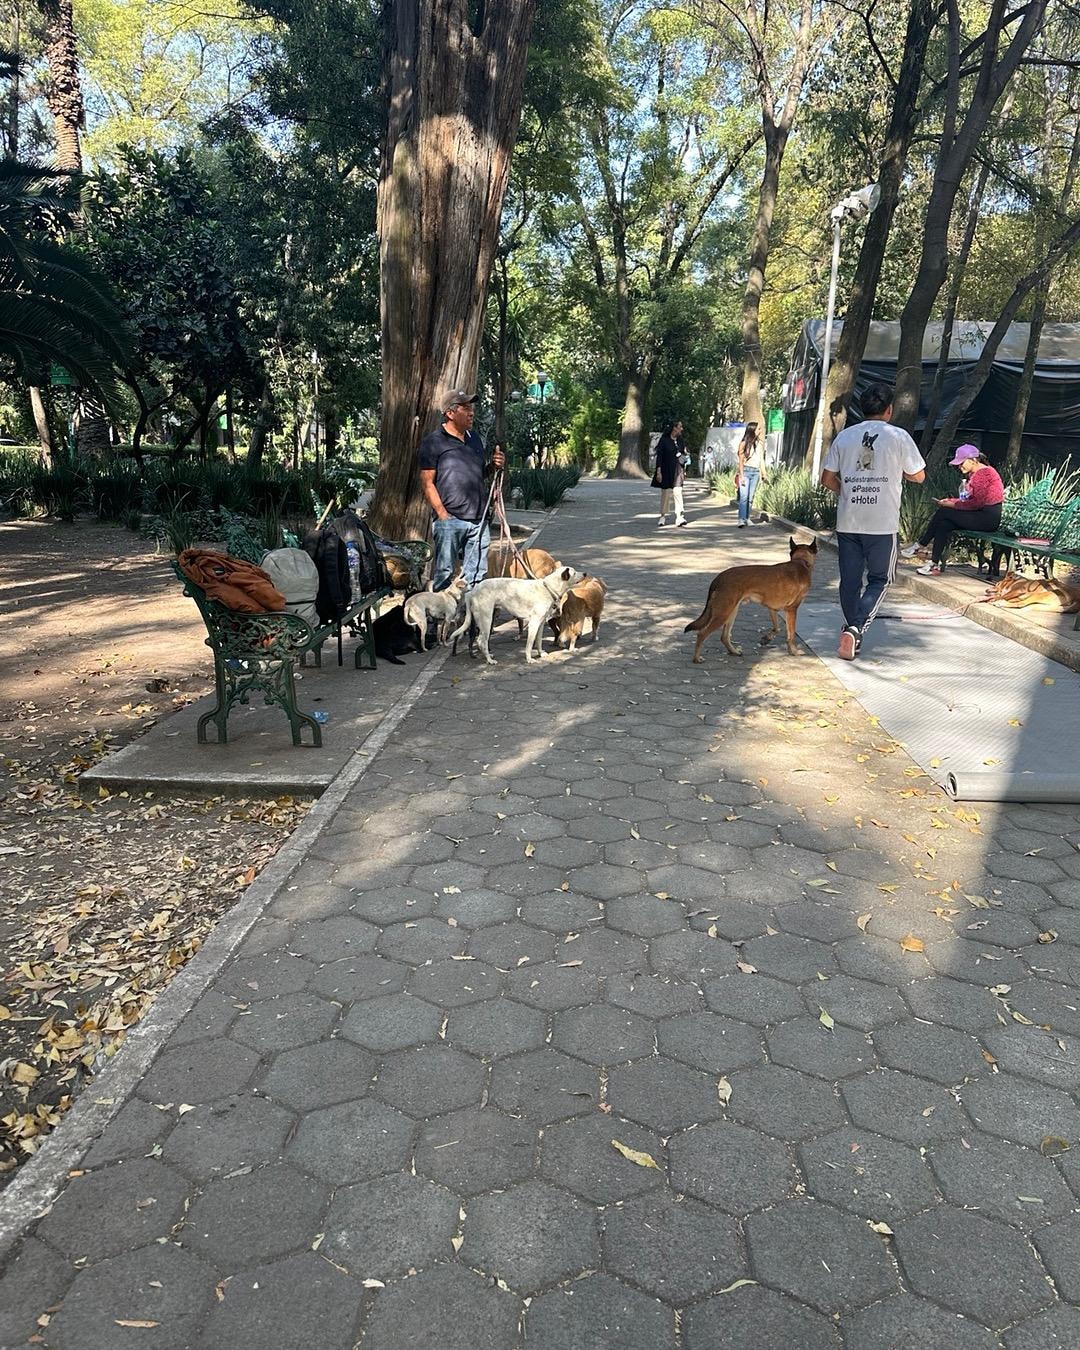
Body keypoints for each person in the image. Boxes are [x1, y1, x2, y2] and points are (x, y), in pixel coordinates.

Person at [821, 381, 926, 660]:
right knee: (880, 578)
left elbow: (827, 479)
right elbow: (919, 476)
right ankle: (855, 629)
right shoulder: (899, 436)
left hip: (849, 521)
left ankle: (851, 631)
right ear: (889, 409)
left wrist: (847, 491)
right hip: (882, 523)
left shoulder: (845, 437)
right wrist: (898, 472)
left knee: (849, 581)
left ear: (862, 408)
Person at [418, 388, 505, 590]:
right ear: (450, 413)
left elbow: (478, 474)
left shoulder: (474, 439)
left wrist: (493, 466)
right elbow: (427, 483)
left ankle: (470, 611)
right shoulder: (433, 442)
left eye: (471, 408)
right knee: (444, 573)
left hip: (478, 520)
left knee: (477, 576)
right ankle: (440, 610)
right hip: (450, 520)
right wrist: (442, 515)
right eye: (466, 408)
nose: (471, 413)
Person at [901, 445, 1004, 576]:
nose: (959, 467)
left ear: (973, 460)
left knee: (944, 512)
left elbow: (975, 504)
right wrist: (951, 501)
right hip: (979, 514)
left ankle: (921, 545)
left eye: (962, 463)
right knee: (945, 524)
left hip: (987, 519)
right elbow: (968, 500)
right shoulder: (975, 474)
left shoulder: (985, 474)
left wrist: (952, 505)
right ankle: (934, 564)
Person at [654, 420, 688, 527]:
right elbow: (659, 457)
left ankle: (679, 516)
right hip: (666, 470)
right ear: (674, 428)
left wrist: (684, 471)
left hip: (678, 470)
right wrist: (658, 471)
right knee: (665, 493)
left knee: (678, 491)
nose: (682, 429)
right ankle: (662, 516)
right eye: (680, 426)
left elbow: (683, 455)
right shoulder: (664, 440)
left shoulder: (680, 440)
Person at [736, 421, 765, 527]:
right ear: (752, 430)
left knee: (751, 497)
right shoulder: (743, 443)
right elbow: (740, 461)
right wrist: (741, 475)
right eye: (758, 429)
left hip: (755, 472)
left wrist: (764, 473)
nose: (760, 431)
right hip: (746, 471)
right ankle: (741, 519)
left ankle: (747, 518)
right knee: (744, 497)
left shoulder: (759, 444)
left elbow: (761, 459)